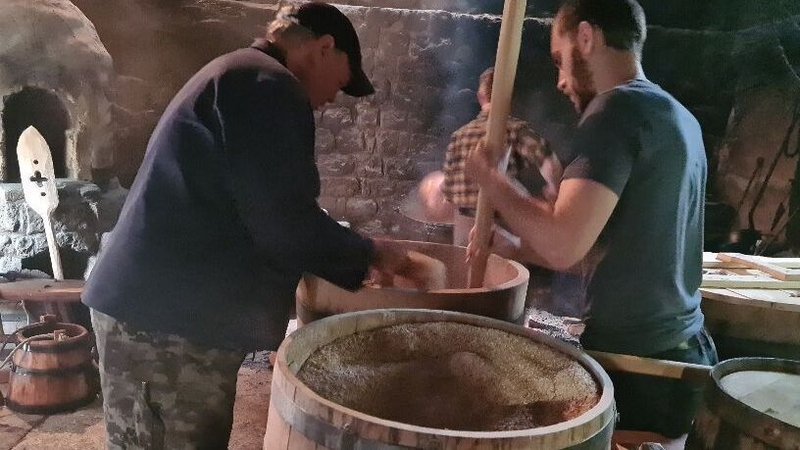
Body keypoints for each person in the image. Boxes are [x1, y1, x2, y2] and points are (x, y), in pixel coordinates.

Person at [82, 3, 423, 448]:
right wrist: (372, 254)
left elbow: (268, 205)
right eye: (341, 81)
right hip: (165, 324)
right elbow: (284, 226)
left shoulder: (241, 75)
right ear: (322, 48)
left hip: (163, 313)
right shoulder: (268, 84)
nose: (334, 98)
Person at [466, 0, 718, 440]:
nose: (561, 80)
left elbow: (564, 243)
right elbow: (604, 246)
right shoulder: (678, 117)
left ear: (586, 37)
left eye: (560, 60)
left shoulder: (614, 113)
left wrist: (493, 181)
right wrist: (518, 248)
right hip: (684, 353)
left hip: (643, 362)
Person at [442, 66, 563, 246]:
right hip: (502, 228)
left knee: (468, 272)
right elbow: (549, 164)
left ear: (480, 96)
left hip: (463, 231)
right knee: (513, 271)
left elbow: (448, 192)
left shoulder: (458, 136)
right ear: (510, 98)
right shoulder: (514, 129)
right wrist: (555, 191)